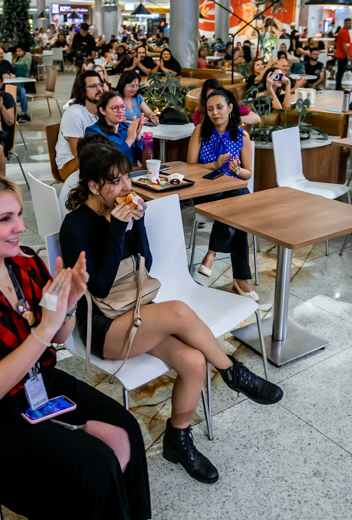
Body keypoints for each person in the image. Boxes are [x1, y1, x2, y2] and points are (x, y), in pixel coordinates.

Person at [0, 170, 151, 518]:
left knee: (127, 428)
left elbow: (59, 336)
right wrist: (44, 329)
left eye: (18, 213)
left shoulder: (25, 263)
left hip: (34, 383)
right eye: (5, 219)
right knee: (94, 466)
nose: (19, 225)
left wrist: (70, 303)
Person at [60, 142, 282, 485]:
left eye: (127, 179)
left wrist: (139, 223)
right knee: (178, 309)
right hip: (104, 328)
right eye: (116, 182)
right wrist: (119, 229)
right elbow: (101, 287)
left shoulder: (122, 210)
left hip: (138, 311)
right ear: (93, 186)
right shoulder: (75, 227)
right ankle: (234, 372)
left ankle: (177, 440)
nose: (126, 188)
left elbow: (146, 261)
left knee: (194, 363)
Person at [186, 88, 263, 299]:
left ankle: (212, 253)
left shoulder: (241, 135)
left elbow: (247, 173)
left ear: (230, 108)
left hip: (231, 193)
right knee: (239, 197)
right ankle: (240, 279)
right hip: (205, 192)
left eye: (219, 107)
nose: (215, 113)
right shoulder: (201, 131)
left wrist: (236, 170)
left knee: (236, 199)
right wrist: (214, 165)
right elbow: (190, 167)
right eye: (210, 109)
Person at [55, 70, 105, 180]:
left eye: (100, 84)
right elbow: (77, 152)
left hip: (95, 156)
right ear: (83, 91)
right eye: (93, 86)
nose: (99, 89)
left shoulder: (102, 110)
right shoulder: (74, 114)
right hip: (69, 164)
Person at [85, 91, 144, 167]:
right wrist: (129, 140)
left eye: (122, 107)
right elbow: (106, 162)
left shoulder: (128, 128)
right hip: (110, 177)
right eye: (115, 108)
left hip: (133, 175)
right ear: (102, 110)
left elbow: (145, 161)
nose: (120, 111)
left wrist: (138, 138)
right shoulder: (93, 131)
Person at [192, 79, 262, 126]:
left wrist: (236, 120)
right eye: (209, 97)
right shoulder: (199, 114)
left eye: (219, 107)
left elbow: (257, 118)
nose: (215, 112)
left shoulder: (232, 106)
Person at [333, 18, 352, 91]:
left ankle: (338, 85)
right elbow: (344, 44)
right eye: (348, 23)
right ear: (345, 23)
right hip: (342, 55)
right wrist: (348, 55)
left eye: (351, 23)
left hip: (341, 54)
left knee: (341, 71)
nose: (350, 25)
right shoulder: (344, 32)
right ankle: (338, 86)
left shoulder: (343, 31)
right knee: (340, 71)